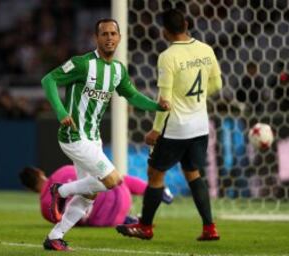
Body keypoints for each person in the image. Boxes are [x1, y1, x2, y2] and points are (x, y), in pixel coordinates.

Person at [40, 18, 170, 251]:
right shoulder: (82, 63)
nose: (109, 38)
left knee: (89, 194)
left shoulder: (118, 70)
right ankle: (59, 190)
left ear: (119, 38)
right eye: (104, 34)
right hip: (74, 135)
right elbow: (48, 79)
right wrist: (60, 111)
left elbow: (132, 95)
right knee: (113, 181)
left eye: (113, 33)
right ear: (96, 38)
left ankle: (54, 237)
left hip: (93, 138)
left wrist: (156, 106)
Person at [116, 9, 222, 241]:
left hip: (176, 127)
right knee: (193, 174)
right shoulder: (206, 50)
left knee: (155, 174)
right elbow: (217, 84)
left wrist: (156, 129)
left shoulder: (168, 56)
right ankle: (209, 228)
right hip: (200, 126)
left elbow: (164, 100)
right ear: (186, 23)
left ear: (164, 31)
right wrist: (198, 99)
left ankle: (145, 226)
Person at [19, 165, 174, 226]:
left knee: (86, 213)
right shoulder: (64, 170)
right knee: (115, 178)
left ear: (30, 189)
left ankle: (125, 220)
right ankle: (156, 191)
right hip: (122, 196)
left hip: (107, 221)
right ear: (40, 172)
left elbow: (73, 223)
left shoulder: (45, 210)